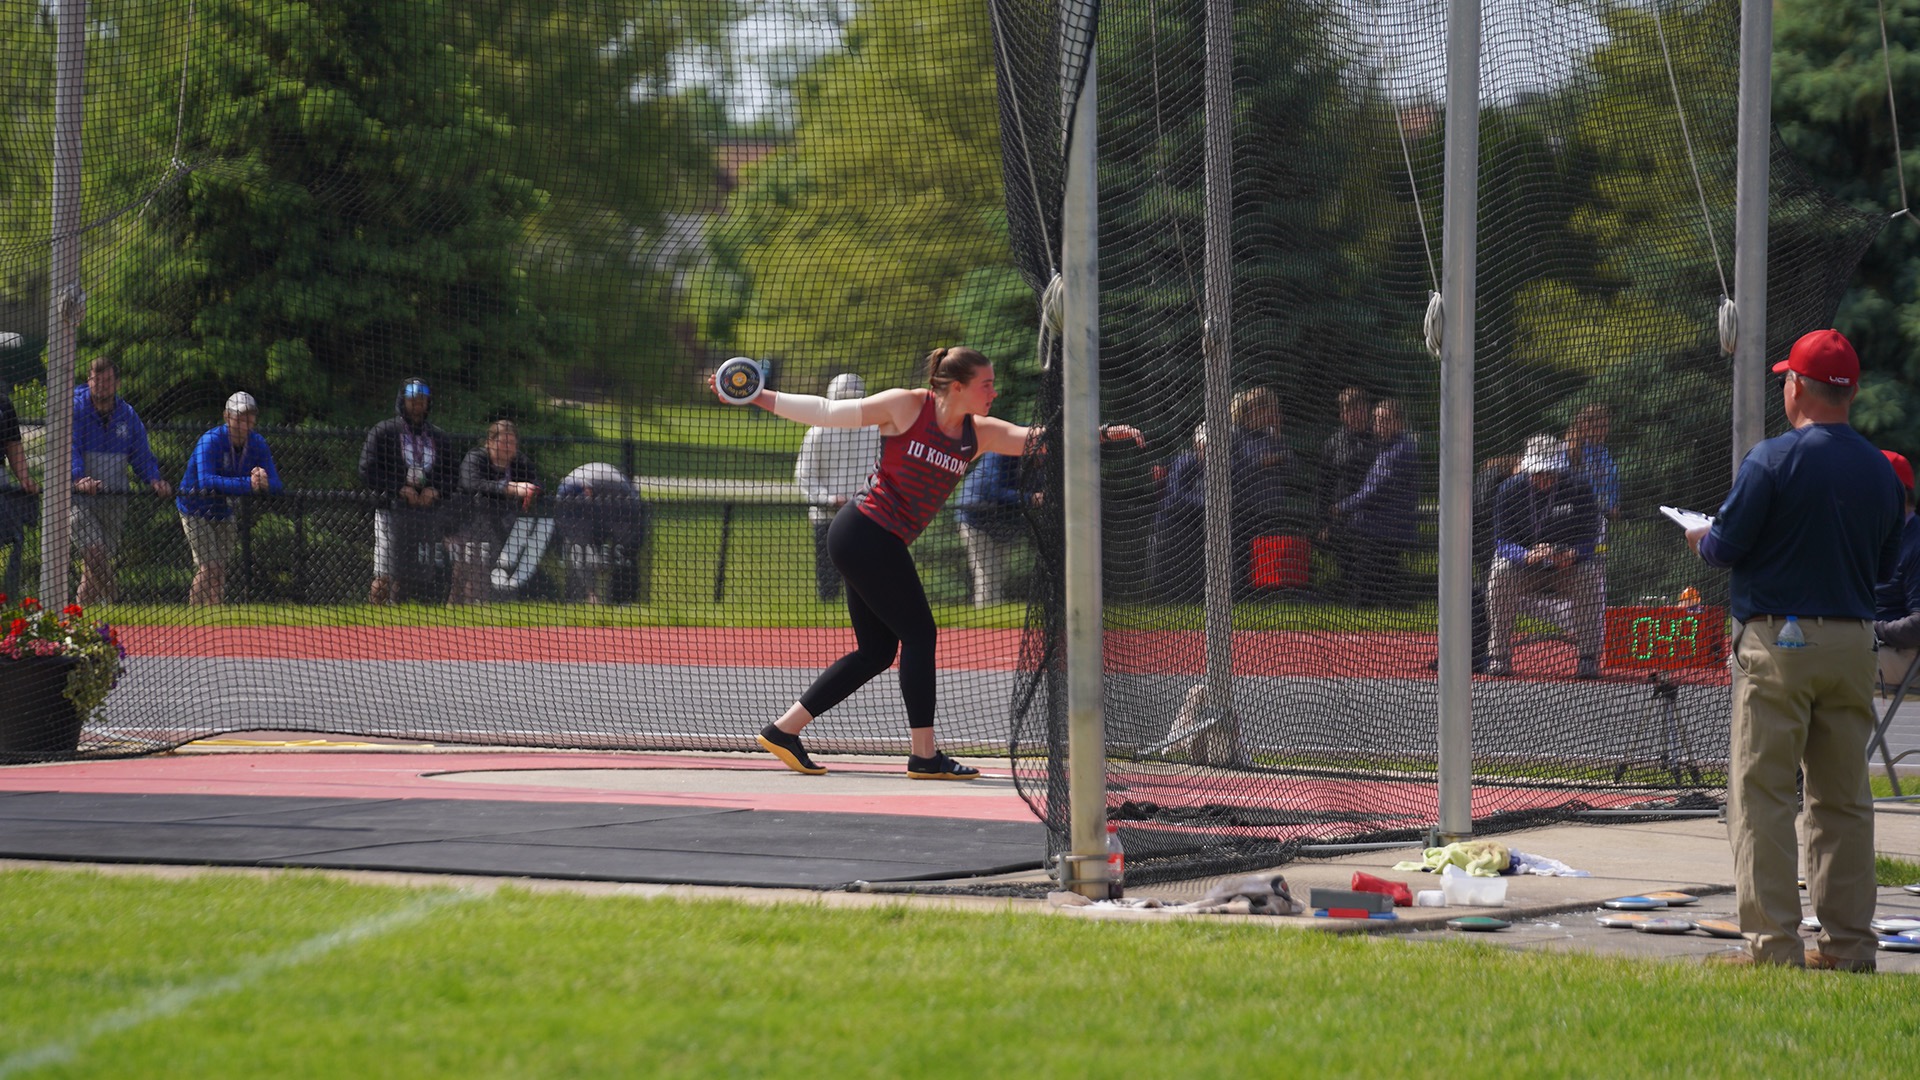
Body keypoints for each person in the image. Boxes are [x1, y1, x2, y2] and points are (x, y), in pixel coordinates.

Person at [720, 346, 1142, 779]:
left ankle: (783, 731)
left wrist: (1105, 432)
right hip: (863, 531)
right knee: (920, 634)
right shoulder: (907, 405)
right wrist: (758, 395)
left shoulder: (979, 433)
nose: (994, 392)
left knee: (877, 652)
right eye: (986, 384)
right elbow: (827, 410)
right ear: (956, 387)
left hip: (874, 539)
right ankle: (924, 755)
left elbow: (1043, 438)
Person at [1686, 328, 1902, 972]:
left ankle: (1773, 948)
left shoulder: (1771, 459)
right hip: (1853, 643)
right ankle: (1850, 948)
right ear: (1853, 391)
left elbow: (1725, 549)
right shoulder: (1880, 468)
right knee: (1843, 801)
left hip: (1778, 642)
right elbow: (1886, 568)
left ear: (1795, 387)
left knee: (1764, 796)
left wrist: (1701, 536)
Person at [1484, 435, 1602, 678]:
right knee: (1500, 571)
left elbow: (1592, 537)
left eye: (1550, 473)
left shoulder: (1580, 488)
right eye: (1538, 473)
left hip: (1566, 569)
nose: (1544, 479)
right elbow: (1502, 540)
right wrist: (1526, 556)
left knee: (1591, 573)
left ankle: (1588, 658)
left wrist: (1574, 554)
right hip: (1525, 569)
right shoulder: (1508, 490)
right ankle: (1499, 656)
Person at [71, 358, 171, 605]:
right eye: (97, 380)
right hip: (78, 499)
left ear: (117, 383)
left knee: (94, 568)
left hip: (114, 499)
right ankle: (118, 600)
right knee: (95, 556)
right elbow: (68, 448)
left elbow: (141, 454)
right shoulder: (74, 410)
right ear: (89, 381)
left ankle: (79, 621)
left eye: (108, 381)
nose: (102, 386)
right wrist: (78, 478)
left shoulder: (127, 415)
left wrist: (153, 479)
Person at [176, 392, 283, 605]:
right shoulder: (210, 441)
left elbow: (277, 484)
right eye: (240, 417)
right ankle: (194, 612)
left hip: (225, 510)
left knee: (220, 568)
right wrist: (248, 484)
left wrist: (264, 482)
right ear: (227, 417)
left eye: (250, 417)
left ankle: (215, 612)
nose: (245, 422)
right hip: (195, 508)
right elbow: (207, 481)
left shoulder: (257, 443)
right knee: (209, 566)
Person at [359, 378, 456, 604]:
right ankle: (375, 615)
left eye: (422, 400)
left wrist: (436, 490)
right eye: (412, 399)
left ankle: (399, 623)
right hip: (391, 511)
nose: (417, 404)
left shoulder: (438, 437)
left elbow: (453, 475)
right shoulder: (383, 432)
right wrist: (398, 489)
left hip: (426, 515)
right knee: (384, 571)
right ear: (403, 401)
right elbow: (366, 470)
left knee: (410, 574)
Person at [793, 373, 882, 601]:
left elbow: (883, 472)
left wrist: (866, 499)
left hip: (866, 516)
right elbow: (804, 476)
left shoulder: (875, 432)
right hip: (827, 517)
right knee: (829, 580)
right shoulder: (819, 432)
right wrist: (830, 499)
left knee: (867, 583)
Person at [1329, 398, 1419, 605]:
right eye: (1377, 419)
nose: (1379, 425)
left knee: (1367, 588)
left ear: (1399, 422)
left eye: (1385, 420)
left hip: (1382, 529)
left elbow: (1375, 490)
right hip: (1382, 527)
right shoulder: (1389, 447)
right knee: (1381, 584)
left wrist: (1342, 506)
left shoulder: (1398, 451)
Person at [450, 420, 541, 605]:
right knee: (469, 570)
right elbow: (472, 483)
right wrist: (510, 488)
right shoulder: (476, 457)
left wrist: (532, 490)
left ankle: (477, 611)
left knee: (483, 572)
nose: (509, 447)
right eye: (504, 442)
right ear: (490, 442)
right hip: (467, 521)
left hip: (501, 525)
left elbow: (537, 484)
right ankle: (456, 609)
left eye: (513, 443)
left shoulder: (520, 462)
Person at [554, 461, 649, 605]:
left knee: (624, 554)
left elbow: (633, 517)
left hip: (624, 511)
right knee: (581, 551)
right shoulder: (567, 491)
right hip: (596, 510)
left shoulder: (616, 488)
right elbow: (571, 527)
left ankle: (623, 599)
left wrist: (615, 551)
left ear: (587, 490)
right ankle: (590, 596)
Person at [1315, 386, 1376, 599]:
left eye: (1359, 410)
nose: (1354, 415)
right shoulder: (1334, 444)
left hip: (1372, 518)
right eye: (1349, 411)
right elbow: (1323, 486)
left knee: (1371, 572)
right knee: (1347, 567)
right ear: (1342, 414)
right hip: (1340, 516)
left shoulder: (1380, 441)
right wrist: (1324, 523)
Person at [1873, 450, 1920, 697]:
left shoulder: (1917, 542)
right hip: (1869, 647)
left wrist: (1869, 629)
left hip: (1908, 658)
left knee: (1814, 666)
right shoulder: (1873, 538)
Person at [952, 451, 1026, 607]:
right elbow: (995, 490)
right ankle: (984, 619)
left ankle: (992, 614)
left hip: (1000, 523)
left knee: (999, 573)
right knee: (987, 573)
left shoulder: (1037, 465)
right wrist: (1030, 497)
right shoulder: (1002, 452)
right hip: (974, 517)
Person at [1150, 423, 1210, 602]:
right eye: (1204, 447)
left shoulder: (1220, 467)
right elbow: (1177, 495)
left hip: (1196, 524)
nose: (1207, 453)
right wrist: (1208, 504)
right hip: (1174, 522)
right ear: (1197, 445)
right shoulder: (1185, 462)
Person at [0, 385, 40, 600]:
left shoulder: (3, 403)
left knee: (11, 538)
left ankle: (6, 600)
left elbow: (13, 445)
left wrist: (24, 477)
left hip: (0, 480)